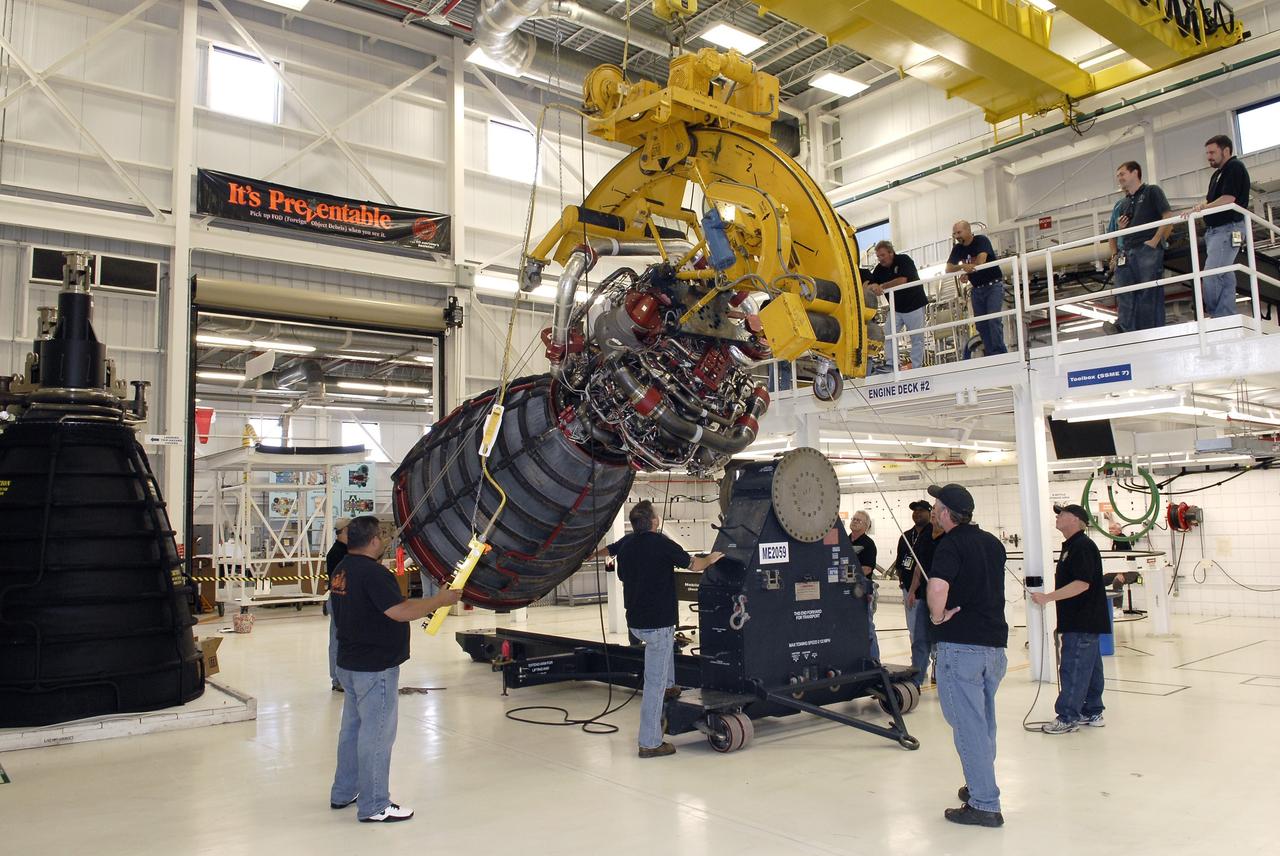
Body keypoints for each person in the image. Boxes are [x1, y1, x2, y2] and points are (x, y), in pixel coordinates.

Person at [329, 515, 461, 823]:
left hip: (350, 664)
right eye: (382, 537)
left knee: (351, 732)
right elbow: (399, 611)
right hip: (375, 669)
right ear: (374, 540)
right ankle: (375, 804)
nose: (385, 542)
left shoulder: (342, 570)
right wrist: (440, 600)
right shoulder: (373, 574)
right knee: (376, 736)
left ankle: (344, 791)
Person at [607, 501, 722, 758]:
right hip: (656, 623)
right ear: (654, 522)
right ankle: (649, 742)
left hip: (635, 623)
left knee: (667, 639)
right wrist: (712, 558)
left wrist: (586, 553)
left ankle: (671, 685)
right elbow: (695, 565)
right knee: (653, 684)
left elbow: (611, 554)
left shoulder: (626, 544)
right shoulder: (662, 544)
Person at [926, 483, 1008, 828]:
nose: (932, 511)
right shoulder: (993, 543)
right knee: (983, 722)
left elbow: (938, 586)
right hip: (993, 648)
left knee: (967, 725)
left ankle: (985, 803)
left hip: (961, 648)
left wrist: (936, 616)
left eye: (936, 506)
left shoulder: (950, 544)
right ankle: (979, 783)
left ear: (946, 514)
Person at [1031, 504, 1110, 734]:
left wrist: (1047, 598)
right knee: (1090, 668)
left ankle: (1067, 716)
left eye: (1062, 514)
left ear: (1075, 520)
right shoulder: (1073, 546)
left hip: (1081, 620)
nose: (1057, 516)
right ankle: (1092, 710)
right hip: (1084, 619)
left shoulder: (1082, 547)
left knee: (1073, 667)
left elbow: (1081, 583)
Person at [1108, 162, 1173, 333]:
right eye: (1118, 176)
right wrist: (1121, 232)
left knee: (1148, 292)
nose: (1119, 178)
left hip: (1146, 249)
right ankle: (1125, 328)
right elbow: (1115, 233)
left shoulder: (1152, 191)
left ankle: (1150, 331)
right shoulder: (1124, 204)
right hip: (1127, 252)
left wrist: (1155, 240)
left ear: (1135, 172)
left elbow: (1167, 216)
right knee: (1125, 292)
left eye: (1122, 174)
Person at [1191, 135, 1251, 318]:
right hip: (1217, 231)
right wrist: (1198, 208)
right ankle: (1226, 314)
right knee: (1224, 274)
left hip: (1228, 228)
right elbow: (1213, 200)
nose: (1209, 156)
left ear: (1226, 151)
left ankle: (1217, 315)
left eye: (1212, 152)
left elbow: (1228, 199)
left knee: (1212, 273)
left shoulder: (1234, 167)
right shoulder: (1217, 174)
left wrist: (1203, 208)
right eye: (1207, 153)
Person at [893, 500, 937, 690]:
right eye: (914, 511)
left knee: (934, 632)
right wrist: (905, 584)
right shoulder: (906, 537)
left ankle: (937, 665)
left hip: (931, 592)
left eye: (921, 511)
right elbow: (902, 562)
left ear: (930, 513)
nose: (917, 514)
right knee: (915, 632)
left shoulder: (934, 534)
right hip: (911, 592)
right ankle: (918, 669)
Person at [946, 221, 1007, 356]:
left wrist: (967, 270)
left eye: (959, 232)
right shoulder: (958, 248)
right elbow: (948, 268)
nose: (956, 236)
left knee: (993, 320)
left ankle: (1000, 352)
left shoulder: (981, 241)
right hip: (977, 289)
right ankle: (991, 353)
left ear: (968, 230)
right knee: (981, 324)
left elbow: (981, 261)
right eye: (954, 233)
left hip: (993, 286)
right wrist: (963, 268)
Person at [868, 241, 928, 369]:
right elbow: (873, 282)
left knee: (917, 338)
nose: (880, 259)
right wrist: (873, 286)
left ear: (891, 253)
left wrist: (882, 286)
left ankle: (916, 365)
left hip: (914, 305)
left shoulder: (904, 260)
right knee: (889, 334)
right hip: (896, 308)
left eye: (883, 255)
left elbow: (902, 280)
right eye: (878, 256)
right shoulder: (879, 270)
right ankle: (891, 364)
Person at [848, 510, 880, 660]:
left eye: (859, 520)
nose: (854, 521)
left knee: (867, 628)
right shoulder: (845, 541)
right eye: (854, 519)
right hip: (845, 591)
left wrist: (848, 574)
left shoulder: (868, 544)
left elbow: (867, 568)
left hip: (862, 590)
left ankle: (874, 660)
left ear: (866, 526)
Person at [326, 517, 351, 692]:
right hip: (339, 599)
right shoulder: (337, 553)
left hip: (345, 599)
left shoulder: (346, 551)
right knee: (337, 640)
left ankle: (343, 677)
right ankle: (337, 679)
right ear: (344, 532)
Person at [1105, 196, 1133, 333]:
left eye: (1123, 174)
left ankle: (1128, 325)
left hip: (1141, 252)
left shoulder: (1148, 197)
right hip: (1123, 254)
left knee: (1144, 290)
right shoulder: (1119, 206)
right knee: (1123, 291)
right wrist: (1114, 255)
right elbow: (1112, 234)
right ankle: (1123, 324)